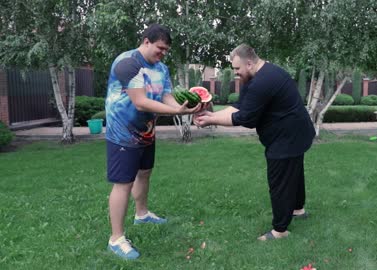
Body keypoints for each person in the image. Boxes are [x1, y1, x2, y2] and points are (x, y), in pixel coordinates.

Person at [194, 44, 316, 241]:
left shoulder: (263, 82)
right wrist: (212, 114)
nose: (235, 73)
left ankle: (280, 231)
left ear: (249, 63)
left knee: (280, 182)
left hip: (286, 137)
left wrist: (210, 120)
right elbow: (239, 107)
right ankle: (298, 210)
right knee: (294, 173)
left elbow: (245, 118)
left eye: (237, 69)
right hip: (296, 132)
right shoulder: (259, 76)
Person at [105, 24, 201, 259]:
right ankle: (116, 238)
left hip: (147, 130)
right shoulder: (128, 62)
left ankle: (142, 214)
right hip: (123, 132)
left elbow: (165, 95)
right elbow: (140, 101)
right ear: (146, 41)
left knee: (145, 173)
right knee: (123, 183)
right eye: (160, 48)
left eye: (166, 50)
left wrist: (181, 107)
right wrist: (178, 112)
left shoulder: (161, 68)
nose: (163, 53)